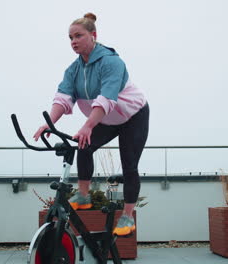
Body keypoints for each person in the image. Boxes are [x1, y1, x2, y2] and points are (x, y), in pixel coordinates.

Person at [34, 12, 149, 236]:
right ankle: (84, 195)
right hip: (107, 119)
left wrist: (87, 125)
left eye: (78, 36)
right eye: (70, 38)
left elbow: (107, 97)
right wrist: (49, 123)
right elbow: (63, 98)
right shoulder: (73, 70)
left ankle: (127, 217)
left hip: (133, 116)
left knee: (130, 165)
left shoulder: (111, 62)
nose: (73, 41)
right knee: (83, 144)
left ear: (93, 35)